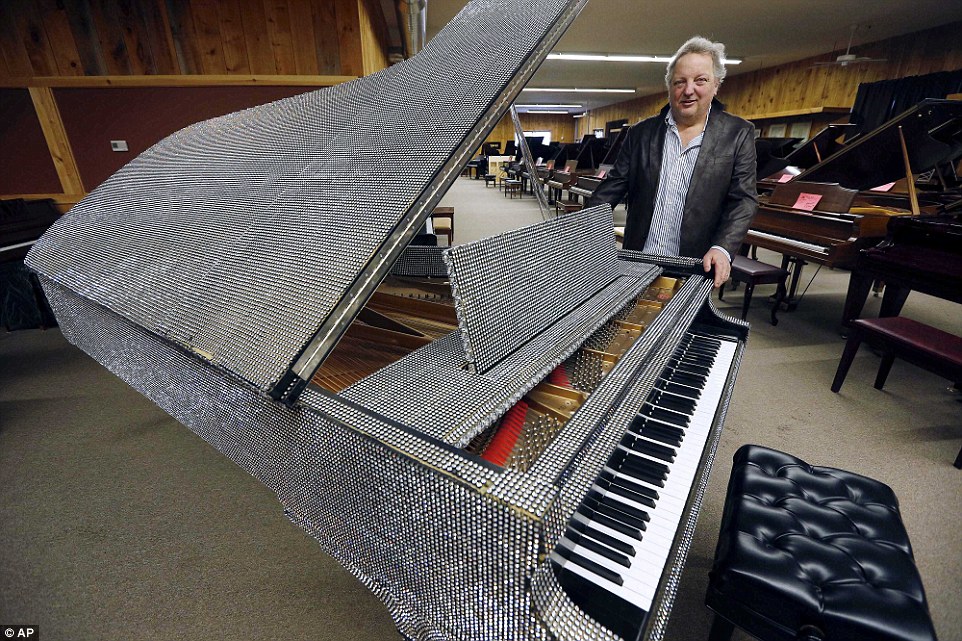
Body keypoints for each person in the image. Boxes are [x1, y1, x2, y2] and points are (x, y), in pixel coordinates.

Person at [587, 36, 757, 287]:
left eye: (700, 80)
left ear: (716, 85)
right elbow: (610, 190)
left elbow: (743, 199)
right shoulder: (640, 134)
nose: (689, 90)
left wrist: (722, 248)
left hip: (696, 265)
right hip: (638, 261)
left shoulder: (738, 133)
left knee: (683, 327)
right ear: (669, 87)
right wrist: (579, 232)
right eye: (680, 82)